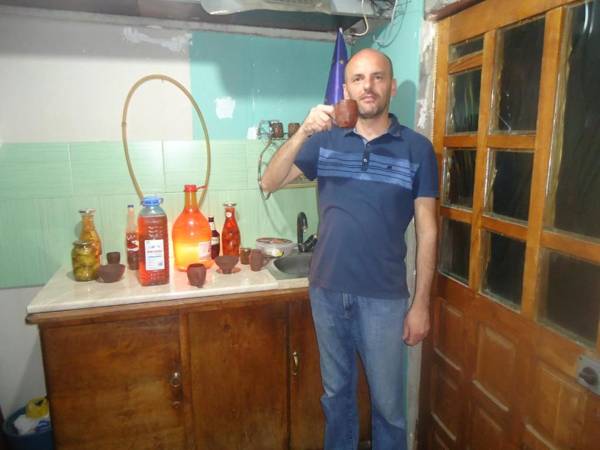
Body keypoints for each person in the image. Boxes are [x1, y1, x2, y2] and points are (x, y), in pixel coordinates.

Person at [261, 48, 438, 450]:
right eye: (358, 79)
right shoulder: (324, 142)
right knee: (336, 397)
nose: (368, 86)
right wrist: (304, 131)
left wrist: (421, 304)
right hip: (326, 290)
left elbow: (427, 230)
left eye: (377, 77)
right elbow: (269, 182)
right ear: (346, 90)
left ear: (392, 86)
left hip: (384, 298)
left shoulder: (416, 149)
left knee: (388, 407)